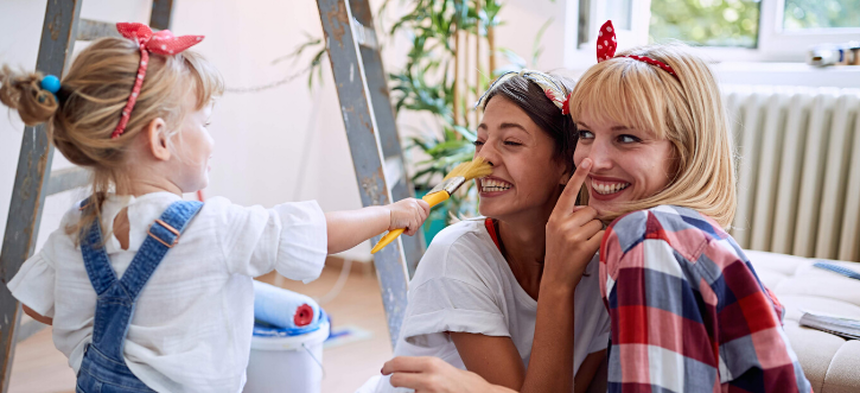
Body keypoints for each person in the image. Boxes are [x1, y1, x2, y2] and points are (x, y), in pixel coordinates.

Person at [381, 21, 812, 393]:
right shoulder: (469, 252)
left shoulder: (641, 238)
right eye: (586, 134)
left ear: (562, 164)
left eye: (626, 138)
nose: (591, 159)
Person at [1, 23, 429, 393]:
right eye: (204, 124)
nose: (211, 139)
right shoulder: (216, 227)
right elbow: (317, 231)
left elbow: (38, 306)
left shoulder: (77, 226)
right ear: (161, 139)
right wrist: (389, 215)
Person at [370, 70, 611, 393]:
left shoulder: (604, 264)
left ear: (567, 165)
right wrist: (557, 282)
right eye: (480, 141)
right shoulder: (456, 255)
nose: (483, 158)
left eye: (511, 142)